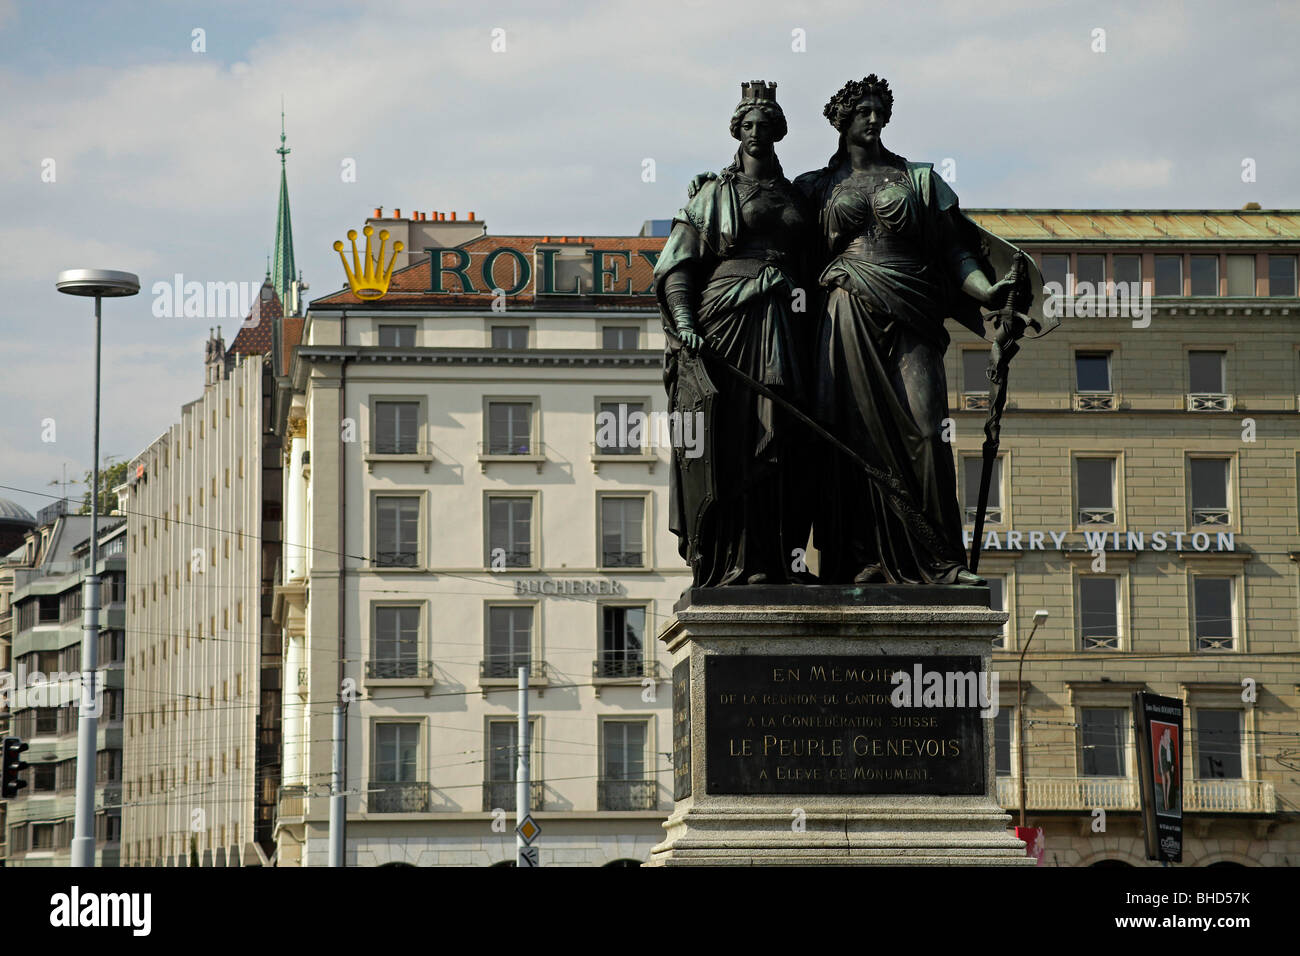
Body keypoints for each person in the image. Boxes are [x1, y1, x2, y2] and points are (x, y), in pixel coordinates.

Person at [795, 74, 1018, 586]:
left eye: (880, 112)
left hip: (911, 307)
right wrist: (712, 185)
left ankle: (938, 562)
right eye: (864, 112)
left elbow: (956, 250)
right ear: (843, 121)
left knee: (924, 427)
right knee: (848, 434)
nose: (874, 120)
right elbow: (769, 223)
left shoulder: (919, 178)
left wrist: (985, 292)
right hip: (845, 306)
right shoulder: (814, 187)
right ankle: (856, 560)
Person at [654, 81, 813, 588]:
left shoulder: (798, 194)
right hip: (727, 321)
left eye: (767, 126)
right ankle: (734, 561)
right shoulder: (712, 194)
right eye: (748, 125)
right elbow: (677, 265)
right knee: (735, 439)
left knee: (785, 438)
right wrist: (685, 324)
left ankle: (780, 557)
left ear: (779, 132)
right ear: (736, 131)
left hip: (787, 321)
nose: (757, 134)